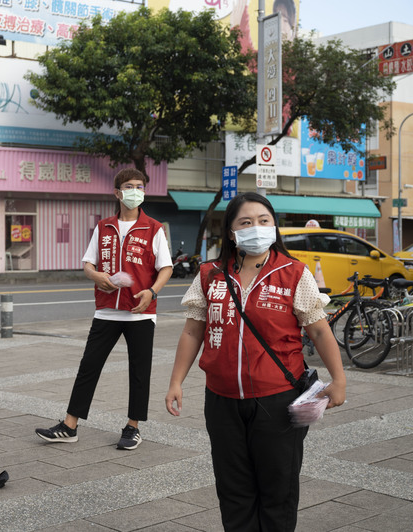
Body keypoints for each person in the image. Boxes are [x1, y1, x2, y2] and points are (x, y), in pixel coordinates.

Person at [164, 192, 346, 531]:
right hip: (221, 401)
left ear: (274, 226)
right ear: (232, 232)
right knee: (233, 490)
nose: (256, 228)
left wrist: (339, 379)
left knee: (278, 489)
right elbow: (193, 332)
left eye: (264, 221)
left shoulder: (293, 273)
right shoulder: (210, 274)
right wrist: (176, 382)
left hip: (277, 399)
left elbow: (320, 331)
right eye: (245, 222)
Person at [35, 168, 173, 450]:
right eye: (129, 186)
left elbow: (166, 267)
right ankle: (69, 425)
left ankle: (133, 427)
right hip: (106, 311)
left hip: (140, 312)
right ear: (117, 192)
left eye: (139, 186)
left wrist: (152, 291)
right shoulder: (103, 227)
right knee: (89, 367)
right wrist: (96, 276)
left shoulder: (154, 228)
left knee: (139, 371)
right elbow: (88, 263)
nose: (135, 191)